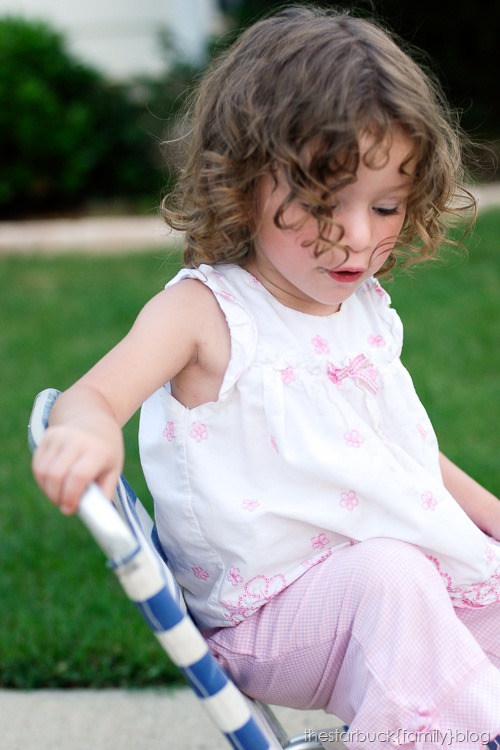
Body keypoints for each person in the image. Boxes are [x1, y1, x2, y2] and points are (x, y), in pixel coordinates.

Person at [32, 5, 500, 745]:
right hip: (267, 617)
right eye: (322, 204)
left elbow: (391, 449)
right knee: (394, 578)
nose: (358, 236)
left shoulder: (363, 308)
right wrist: (86, 433)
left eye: (384, 206)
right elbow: (91, 396)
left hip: (377, 577)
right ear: (244, 180)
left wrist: (488, 513)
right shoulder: (205, 315)